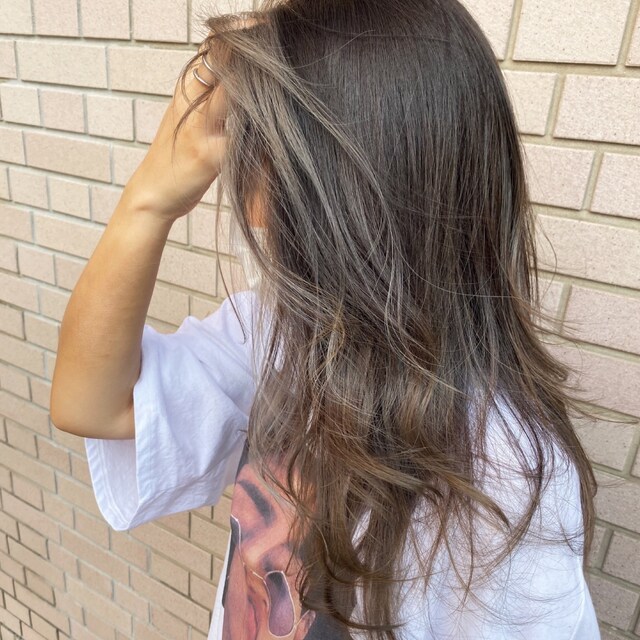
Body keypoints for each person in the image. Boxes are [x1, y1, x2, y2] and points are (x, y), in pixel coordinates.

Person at [50, 1, 602, 638]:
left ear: (341, 182)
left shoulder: (503, 470)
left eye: (260, 137)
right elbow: (92, 404)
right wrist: (148, 200)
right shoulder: (276, 330)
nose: (235, 161)